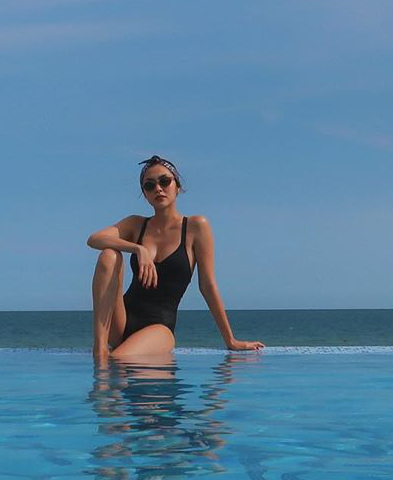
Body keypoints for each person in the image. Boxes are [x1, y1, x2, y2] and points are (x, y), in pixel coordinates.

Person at [86, 155, 265, 365]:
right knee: (109, 254)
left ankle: (109, 358)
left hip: (158, 327)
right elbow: (94, 239)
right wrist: (138, 249)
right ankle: (99, 349)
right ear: (145, 194)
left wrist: (230, 340)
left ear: (177, 186)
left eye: (165, 181)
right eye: (149, 185)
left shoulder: (196, 226)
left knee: (119, 361)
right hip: (121, 319)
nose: (158, 189)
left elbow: (207, 286)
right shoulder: (136, 224)